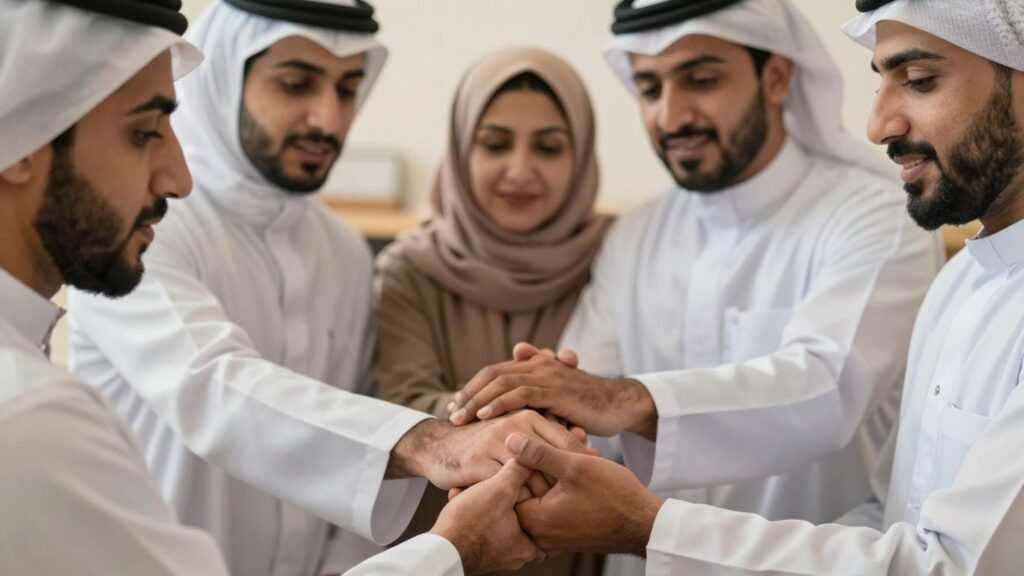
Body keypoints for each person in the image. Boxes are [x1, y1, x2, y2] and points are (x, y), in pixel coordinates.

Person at [493, 0, 1024, 573]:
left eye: (918, 81)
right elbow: (893, 514)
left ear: (775, 77)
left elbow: (825, 390)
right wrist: (527, 436)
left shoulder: (870, 215)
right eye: (648, 88)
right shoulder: (961, 284)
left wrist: (642, 506)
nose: (672, 115)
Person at [65, 1, 585, 574]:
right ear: (224, 76)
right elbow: (212, 385)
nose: (328, 119)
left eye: (347, 88)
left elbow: (356, 454)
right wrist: (430, 443)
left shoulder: (341, 249)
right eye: (296, 85)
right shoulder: (142, 229)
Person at [0, 0, 229, 573]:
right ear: (20, 142)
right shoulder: (29, 417)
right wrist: (444, 548)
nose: (178, 180)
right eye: (143, 133)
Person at [374, 47, 611, 575]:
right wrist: (539, 422)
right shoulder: (409, 269)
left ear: (580, 157)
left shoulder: (612, 259)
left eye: (548, 147)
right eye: (495, 144)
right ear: (461, 150)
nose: (520, 170)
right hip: (439, 551)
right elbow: (402, 404)